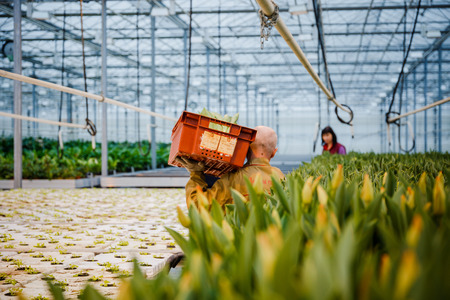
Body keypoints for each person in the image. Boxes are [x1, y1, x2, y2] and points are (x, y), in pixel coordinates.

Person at [175, 126, 285, 208]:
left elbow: (197, 207)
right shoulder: (281, 178)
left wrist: (196, 174)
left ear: (246, 149)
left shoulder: (231, 179)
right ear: (274, 152)